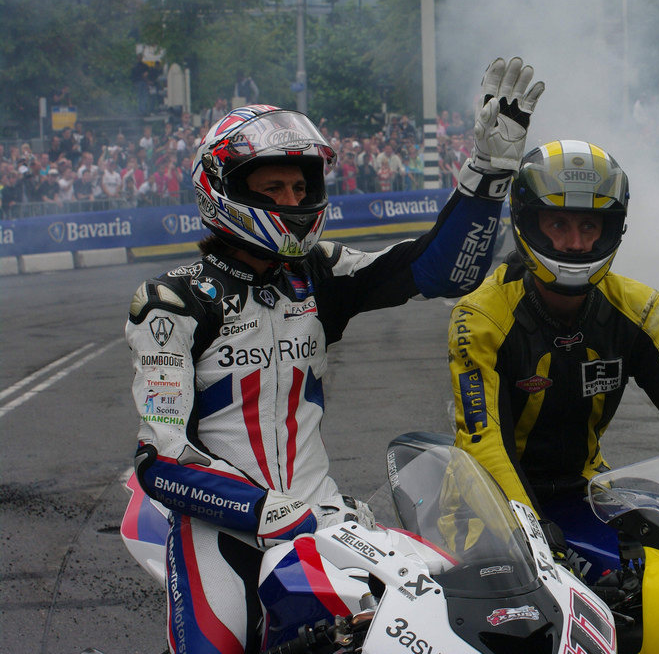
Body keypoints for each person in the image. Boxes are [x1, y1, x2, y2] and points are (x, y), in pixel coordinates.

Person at [126, 57, 544, 654]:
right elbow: (160, 458)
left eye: (301, 187)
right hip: (220, 529)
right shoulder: (172, 301)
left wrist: (489, 172)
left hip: (321, 517)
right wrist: (266, 511)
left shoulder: (320, 273)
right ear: (225, 189)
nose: (293, 198)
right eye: (273, 188)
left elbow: (441, 270)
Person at [448, 140, 659, 578]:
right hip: (483, 508)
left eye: (589, 225)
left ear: (611, 228)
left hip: (581, 492)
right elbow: (483, 440)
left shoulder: (641, 309)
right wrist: (533, 536)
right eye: (558, 223)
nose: (575, 243)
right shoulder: (479, 317)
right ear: (527, 222)